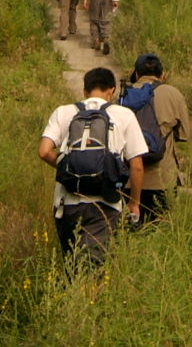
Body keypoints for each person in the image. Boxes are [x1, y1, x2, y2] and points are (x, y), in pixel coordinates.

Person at [38, 67, 146, 267]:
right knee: (93, 266)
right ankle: (87, 288)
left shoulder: (63, 112)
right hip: (105, 203)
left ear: (85, 91)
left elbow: (44, 151)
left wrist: (67, 169)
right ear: (112, 91)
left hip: (66, 203)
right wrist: (134, 203)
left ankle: (71, 286)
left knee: (71, 264)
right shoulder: (124, 115)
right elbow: (137, 166)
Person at [123, 53, 192, 224]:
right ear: (162, 75)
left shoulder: (124, 95)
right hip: (163, 179)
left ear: (136, 74)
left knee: (130, 230)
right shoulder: (172, 93)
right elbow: (184, 134)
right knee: (160, 229)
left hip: (129, 180)